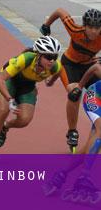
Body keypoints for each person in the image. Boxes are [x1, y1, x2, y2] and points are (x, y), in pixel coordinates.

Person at [0, 36, 62, 155]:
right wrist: (10, 99)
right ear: (38, 55)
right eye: (48, 57)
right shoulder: (25, 59)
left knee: (24, 120)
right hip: (10, 80)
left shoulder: (54, 66)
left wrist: (51, 81)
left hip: (27, 86)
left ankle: (5, 127)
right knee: (4, 110)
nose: (52, 60)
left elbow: (59, 71)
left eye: (54, 57)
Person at [40, 8, 101, 152]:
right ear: (84, 26)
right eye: (90, 27)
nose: (93, 31)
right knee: (74, 93)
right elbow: (60, 11)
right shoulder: (75, 30)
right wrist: (47, 25)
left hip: (89, 65)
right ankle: (72, 131)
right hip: (70, 64)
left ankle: (96, 128)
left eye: (97, 28)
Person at [43, 64, 101, 202]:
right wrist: (80, 87)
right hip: (94, 97)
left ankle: (60, 175)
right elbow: (95, 67)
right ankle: (84, 177)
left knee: (89, 148)